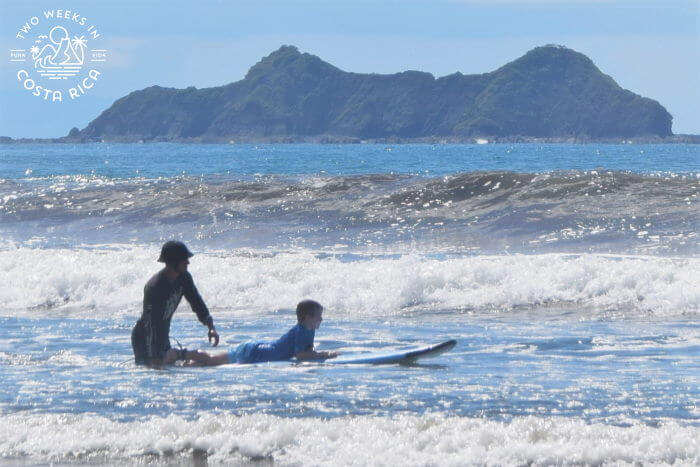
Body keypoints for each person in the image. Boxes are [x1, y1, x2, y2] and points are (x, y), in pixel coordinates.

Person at [131, 240, 219, 368]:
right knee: (156, 371)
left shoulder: (184, 278)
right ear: (173, 262)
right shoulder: (155, 287)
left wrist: (210, 325)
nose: (188, 262)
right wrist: (153, 357)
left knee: (185, 366)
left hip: (162, 335)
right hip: (144, 339)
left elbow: (196, 302)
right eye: (184, 260)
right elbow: (151, 323)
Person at [182, 299, 338, 366]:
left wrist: (314, 353)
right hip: (256, 353)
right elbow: (301, 356)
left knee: (213, 360)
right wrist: (324, 354)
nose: (321, 320)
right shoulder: (300, 331)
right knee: (212, 361)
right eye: (319, 317)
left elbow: (307, 350)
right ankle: (185, 356)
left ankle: (189, 360)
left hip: (257, 347)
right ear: (307, 318)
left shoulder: (309, 330)